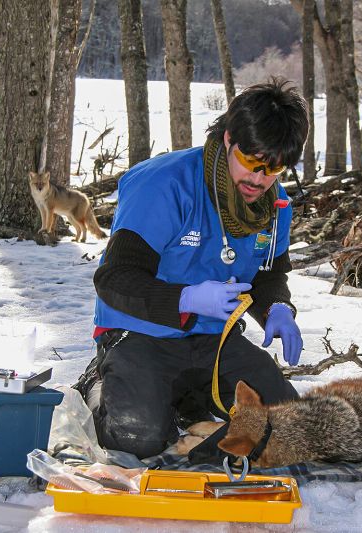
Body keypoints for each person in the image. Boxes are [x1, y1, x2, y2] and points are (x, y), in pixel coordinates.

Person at [74, 77, 309, 460]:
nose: (259, 179)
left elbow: (268, 275)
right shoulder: (165, 185)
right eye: (252, 162)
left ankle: (183, 400)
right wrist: (186, 298)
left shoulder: (275, 205)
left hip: (213, 339)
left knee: (286, 422)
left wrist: (276, 309)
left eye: (275, 168)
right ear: (230, 139)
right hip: (140, 332)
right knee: (138, 438)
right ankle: (100, 385)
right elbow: (114, 279)